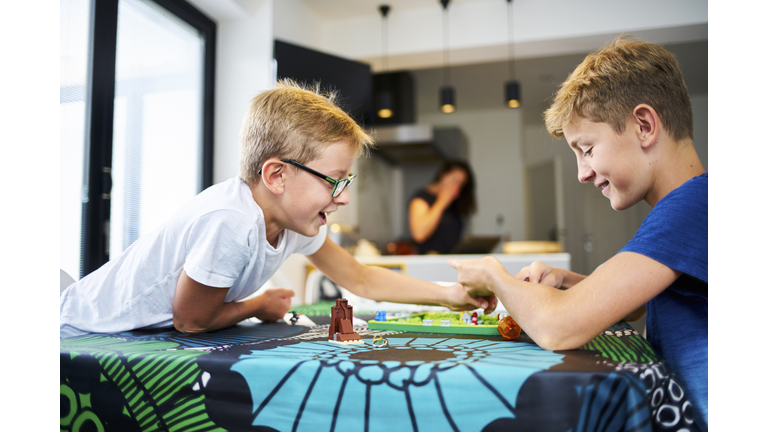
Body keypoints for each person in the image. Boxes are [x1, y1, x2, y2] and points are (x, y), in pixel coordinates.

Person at [60, 80, 496, 338]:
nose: (343, 197)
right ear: (276, 176)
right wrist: (259, 305)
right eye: (335, 181)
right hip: (82, 329)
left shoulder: (294, 223)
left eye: (347, 181)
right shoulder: (232, 221)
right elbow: (191, 320)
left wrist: (448, 296)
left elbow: (360, 277)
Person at [448, 37, 707, 427]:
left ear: (644, 125)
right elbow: (635, 304)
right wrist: (566, 280)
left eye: (586, 149)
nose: (582, 174)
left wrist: (492, 275)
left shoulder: (691, 207)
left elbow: (557, 328)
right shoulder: (691, 205)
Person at [408, 161, 476, 254]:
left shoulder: (454, 203)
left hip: (449, 261)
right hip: (429, 261)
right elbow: (419, 234)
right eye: (454, 180)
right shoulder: (421, 199)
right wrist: (441, 202)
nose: (456, 187)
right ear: (443, 174)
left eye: (461, 184)